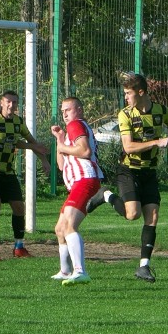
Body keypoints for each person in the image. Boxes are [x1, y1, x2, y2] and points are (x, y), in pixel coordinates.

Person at [86, 72, 168, 282]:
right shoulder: (125, 114)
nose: (126, 97)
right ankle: (106, 195)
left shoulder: (161, 111)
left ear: (141, 92)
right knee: (132, 214)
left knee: (152, 217)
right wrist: (155, 142)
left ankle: (144, 266)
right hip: (128, 170)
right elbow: (128, 147)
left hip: (149, 172)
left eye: (128, 93)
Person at [0, 90, 50, 261]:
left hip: (8, 171)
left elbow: (33, 143)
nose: (12, 105)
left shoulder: (19, 122)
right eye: (8, 102)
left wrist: (44, 161)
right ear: (1, 103)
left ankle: (19, 246)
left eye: (15, 103)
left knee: (19, 207)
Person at [50, 97, 103, 286]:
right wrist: (59, 140)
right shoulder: (70, 130)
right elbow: (61, 164)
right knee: (59, 229)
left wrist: (63, 146)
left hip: (85, 179)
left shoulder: (76, 125)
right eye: (63, 110)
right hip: (78, 182)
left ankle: (80, 271)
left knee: (70, 225)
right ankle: (65, 271)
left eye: (68, 110)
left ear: (79, 110)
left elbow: (85, 151)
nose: (64, 114)